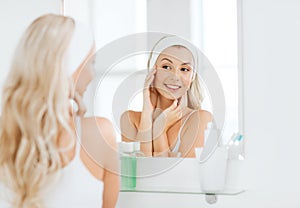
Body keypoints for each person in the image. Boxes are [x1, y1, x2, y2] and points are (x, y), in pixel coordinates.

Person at [0, 14, 119, 208]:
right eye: (91, 62)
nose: (92, 73)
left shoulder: (6, 135)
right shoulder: (99, 134)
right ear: (68, 67)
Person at [121, 35, 212, 157]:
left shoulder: (200, 119)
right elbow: (139, 171)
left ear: (192, 77)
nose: (175, 76)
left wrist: (160, 130)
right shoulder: (130, 119)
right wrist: (147, 114)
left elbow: (172, 174)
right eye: (166, 67)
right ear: (152, 71)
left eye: (184, 69)